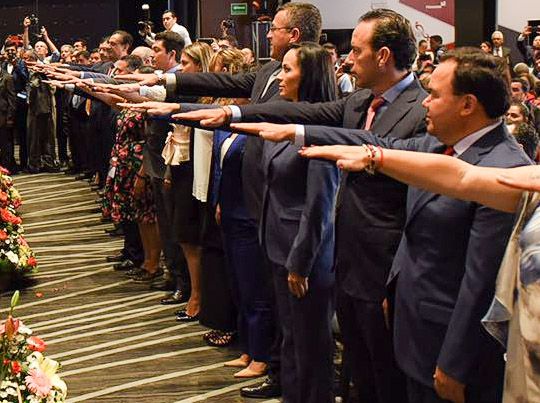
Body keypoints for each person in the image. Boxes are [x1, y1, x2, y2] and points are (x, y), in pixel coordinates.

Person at [234, 47, 532, 403]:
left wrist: (456, 363)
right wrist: (297, 133)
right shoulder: (437, 145)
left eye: (435, 95)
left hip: (451, 350)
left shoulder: (507, 170)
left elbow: (481, 283)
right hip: (413, 327)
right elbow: (381, 146)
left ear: (467, 104)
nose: (425, 103)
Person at [176, 8, 424, 403]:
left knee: (386, 380)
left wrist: (296, 133)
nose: (348, 59)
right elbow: (298, 112)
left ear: (383, 56)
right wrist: (228, 112)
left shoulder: (422, 110)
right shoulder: (359, 102)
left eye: (356, 50)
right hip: (347, 264)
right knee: (359, 375)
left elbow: (391, 163)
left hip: (385, 271)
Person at [116, 3, 324, 399]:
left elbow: (251, 112)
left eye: (275, 28)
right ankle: (270, 363)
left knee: (289, 312)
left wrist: (186, 109)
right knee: (264, 295)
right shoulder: (268, 70)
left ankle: (279, 371)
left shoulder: (308, 91)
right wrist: (165, 87)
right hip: (257, 202)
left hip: (278, 210)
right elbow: (220, 83)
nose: (268, 34)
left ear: (294, 35)